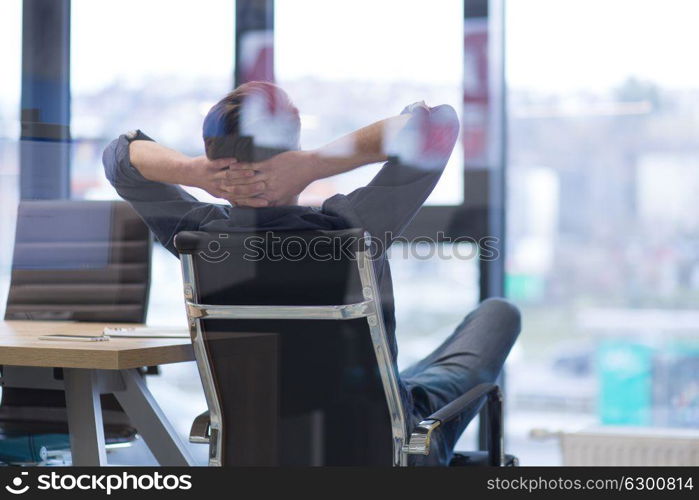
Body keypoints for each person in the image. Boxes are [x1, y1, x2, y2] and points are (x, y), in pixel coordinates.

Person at [103, 81, 520, 465]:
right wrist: (316, 163)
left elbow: (120, 156)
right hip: (387, 448)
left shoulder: (196, 235)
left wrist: (195, 172)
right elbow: (437, 125)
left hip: (259, 455)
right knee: (500, 313)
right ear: (293, 147)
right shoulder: (352, 226)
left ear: (213, 150)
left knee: (406, 382)